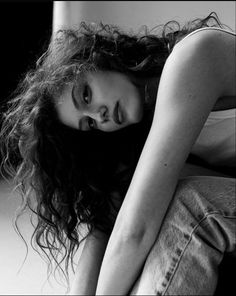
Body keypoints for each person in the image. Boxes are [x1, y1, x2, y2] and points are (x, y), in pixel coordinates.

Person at [0, 11, 235, 295]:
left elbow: (134, 231)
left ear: (100, 60)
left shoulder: (196, 56)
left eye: (86, 95)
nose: (99, 117)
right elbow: (106, 226)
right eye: (89, 124)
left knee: (189, 203)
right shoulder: (144, 135)